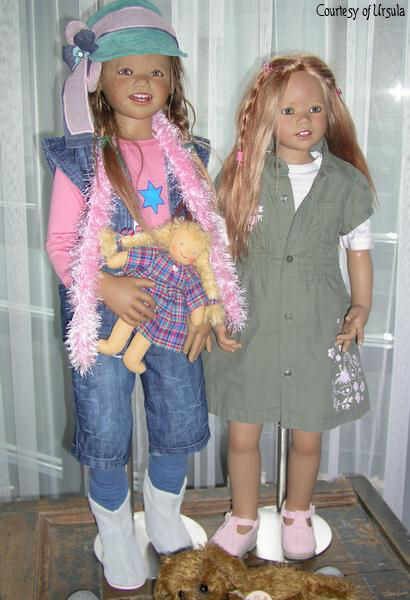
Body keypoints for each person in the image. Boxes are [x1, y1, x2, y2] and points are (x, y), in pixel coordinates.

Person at [43, 0, 245, 590]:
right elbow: (61, 242)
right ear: (98, 80)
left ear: (173, 81)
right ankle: (113, 531)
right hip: (103, 309)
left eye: (157, 70)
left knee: (178, 413)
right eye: (126, 69)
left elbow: (205, 241)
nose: (142, 80)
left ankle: (161, 516)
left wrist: (209, 307)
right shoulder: (81, 157)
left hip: (177, 308)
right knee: (106, 426)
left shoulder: (190, 155)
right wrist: (105, 284)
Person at [204, 54, 375, 561]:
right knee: (242, 432)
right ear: (265, 115)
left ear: (331, 112)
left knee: (307, 434)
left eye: (315, 109)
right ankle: (243, 515)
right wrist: (216, 306)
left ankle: (298, 509)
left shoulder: (345, 182)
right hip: (252, 322)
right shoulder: (243, 175)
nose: (304, 120)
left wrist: (362, 305)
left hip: (318, 324)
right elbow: (218, 252)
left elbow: (359, 252)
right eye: (289, 110)